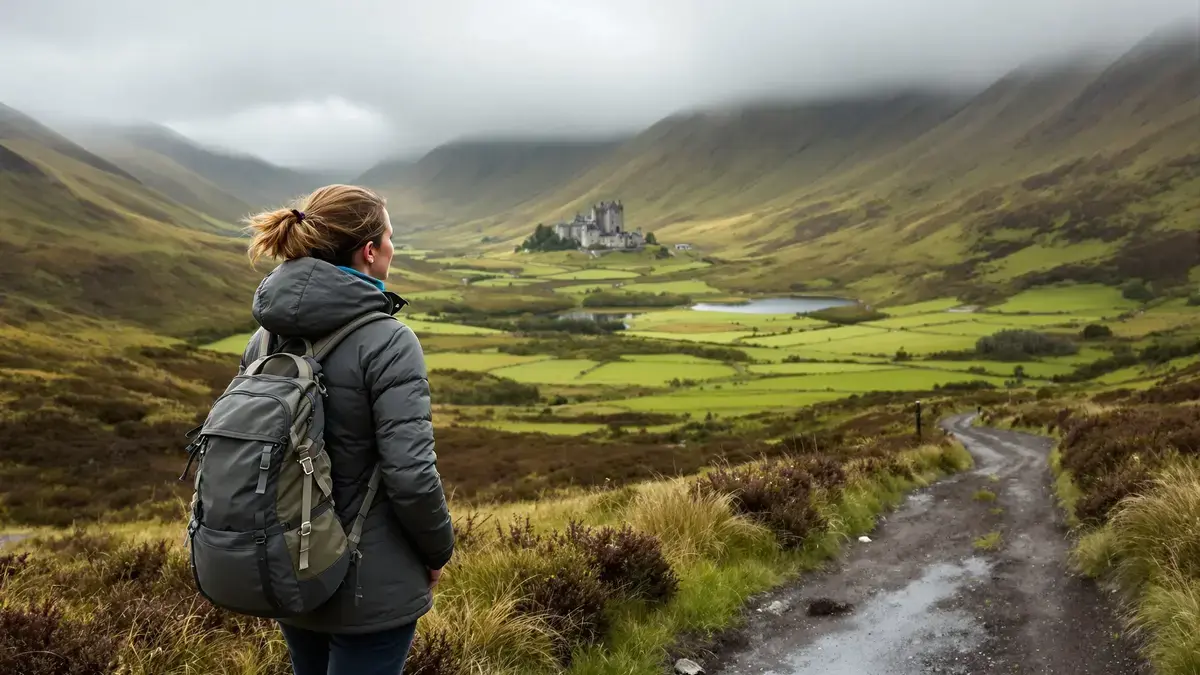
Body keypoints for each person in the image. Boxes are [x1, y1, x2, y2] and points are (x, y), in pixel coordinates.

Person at [241, 184, 454, 675]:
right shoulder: (389, 341)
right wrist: (437, 549)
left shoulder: (265, 337)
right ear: (370, 251)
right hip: (370, 582)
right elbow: (412, 474)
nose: (394, 249)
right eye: (390, 237)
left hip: (292, 565)